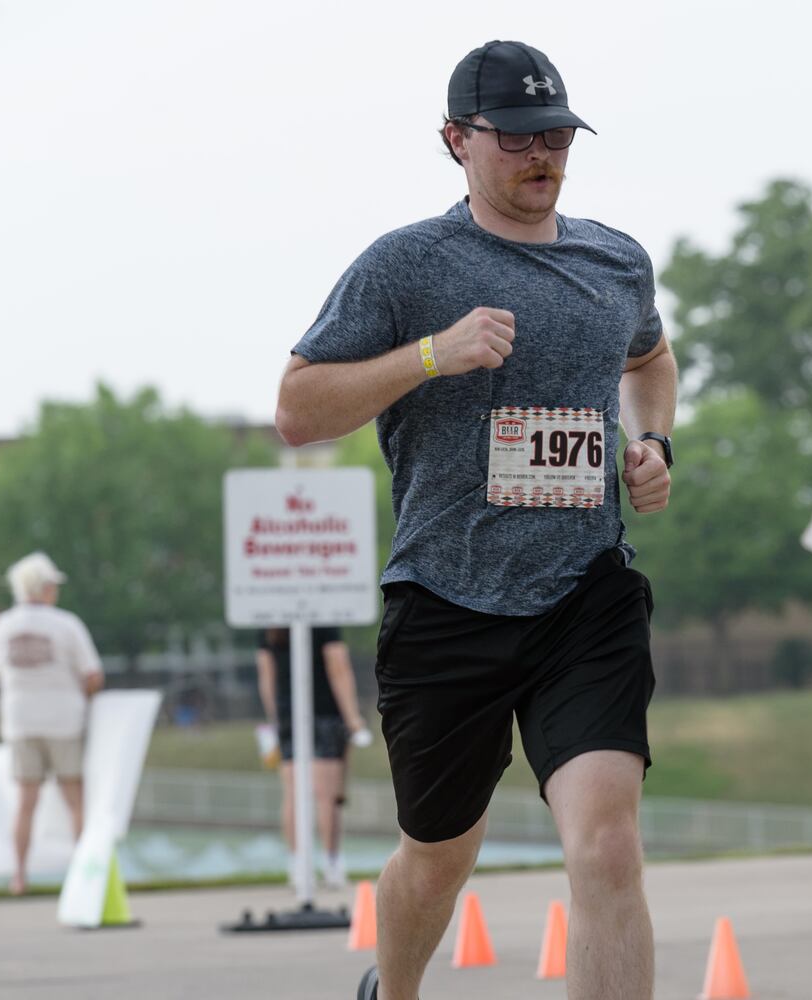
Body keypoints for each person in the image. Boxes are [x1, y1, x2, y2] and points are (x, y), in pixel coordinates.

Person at [275, 39, 676, 1000]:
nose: (542, 155)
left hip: (584, 596)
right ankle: (394, 988)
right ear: (457, 139)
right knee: (436, 859)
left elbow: (650, 360)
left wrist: (654, 444)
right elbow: (296, 411)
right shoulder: (407, 265)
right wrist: (430, 356)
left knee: (607, 846)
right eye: (517, 138)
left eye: (558, 137)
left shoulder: (616, 261)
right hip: (446, 601)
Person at [0, 552, 103, 894]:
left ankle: (19, 875)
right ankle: (83, 875)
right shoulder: (66, 624)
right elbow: (92, 675)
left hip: (20, 721)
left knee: (26, 802)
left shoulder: (3, 625)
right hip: (64, 721)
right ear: (47, 587)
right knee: (74, 799)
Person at [256, 626, 372, 889]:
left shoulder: (271, 619)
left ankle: (298, 866)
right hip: (325, 712)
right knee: (327, 796)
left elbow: (266, 673)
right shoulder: (323, 616)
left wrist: (277, 718)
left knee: (293, 794)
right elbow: (338, 665)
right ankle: (332, 863)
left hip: (287, 714)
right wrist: (353, 719)